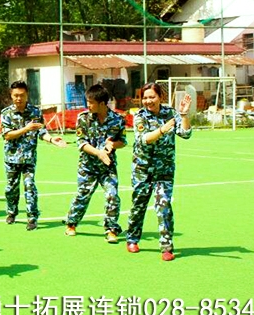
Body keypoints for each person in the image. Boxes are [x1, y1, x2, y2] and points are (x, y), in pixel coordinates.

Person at [126, 82, 192, 261]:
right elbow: (144, 139)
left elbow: (185, 134)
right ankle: (132, 238)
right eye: (145, 98)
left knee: (164, 207)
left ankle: (166, 247)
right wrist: (162, 129)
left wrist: (184, 115)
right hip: (142, 169)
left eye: (152, 97)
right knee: (138, 206)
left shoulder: (170, 113)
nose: (148, 101)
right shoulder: (139, 116)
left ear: (160, 97)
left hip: (164, 170)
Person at [63, 84, 126, 243]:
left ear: (102, 103)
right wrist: (99, 153)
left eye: (91, 102)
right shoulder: (83, 118)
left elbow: (123, 141)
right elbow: (81, 143)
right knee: (82, 196)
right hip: (88, 166)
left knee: (112, 195)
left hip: (107, 167)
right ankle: (71, 223)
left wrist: (112, 144)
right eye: (87, 101)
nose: (88, 105)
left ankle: (111, 229)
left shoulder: (118, 119)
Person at [1, 80, 66, 231]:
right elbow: (7, 135)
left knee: (30, 186)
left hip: (29, 157)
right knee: (11, 188)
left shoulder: (35, 112)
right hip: (11, 158)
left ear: (27, 95)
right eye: (16, 95)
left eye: (22, 95)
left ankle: (32, 217)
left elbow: (41, 131)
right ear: (11, 96)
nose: (19, 98)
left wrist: (52, 140)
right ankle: (11, 212)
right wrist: (26, 128)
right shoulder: (6, 113)